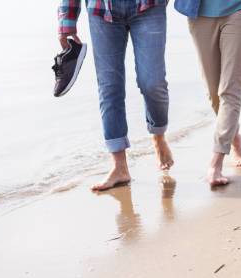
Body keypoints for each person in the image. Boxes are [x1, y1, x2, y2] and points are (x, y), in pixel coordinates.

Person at [57, 0, 174, 191]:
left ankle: (158, 136)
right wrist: (67, 21)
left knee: (152, 82)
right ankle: (119, 167)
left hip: (148, 7)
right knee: (110, 88)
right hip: (102, 10)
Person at [174, 0, 241, 186]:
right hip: (201, 12)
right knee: (213, 93)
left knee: (230, 90)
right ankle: (235, 138)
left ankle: (216, 161)